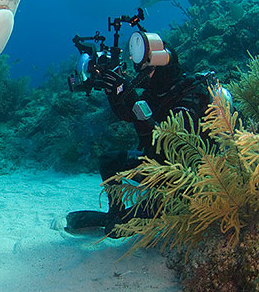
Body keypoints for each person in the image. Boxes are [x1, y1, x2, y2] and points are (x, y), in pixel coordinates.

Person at [65, 40, 218, 236]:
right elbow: (129, 116)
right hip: (158, 166)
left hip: (187, 180)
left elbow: (168, 144)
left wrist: (134, 101)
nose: (143, 75)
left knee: (130, 223)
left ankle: (127, 218)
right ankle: (116, 213)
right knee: (109, 161)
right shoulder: (155, 93)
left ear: (163, 66)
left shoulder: (192, 93)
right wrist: (116, 93)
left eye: (148, 69)